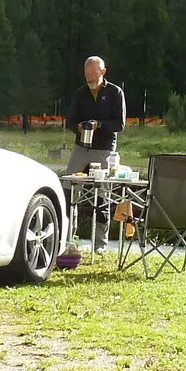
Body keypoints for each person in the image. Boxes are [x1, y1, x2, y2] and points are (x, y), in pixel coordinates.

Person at [63, 56, 126, 252]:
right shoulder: (80, 93)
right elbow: (70, 121)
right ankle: (66, 239)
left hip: (105, 150)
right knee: (69, 191)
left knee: (102, 195)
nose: (90, 77)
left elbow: (120, 124)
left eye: (93, 73)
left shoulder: (115, 92)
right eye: (87, 74)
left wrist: (99, 125)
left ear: (103, 72)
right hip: (81, 148)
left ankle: (100, 244)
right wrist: (79, 127)